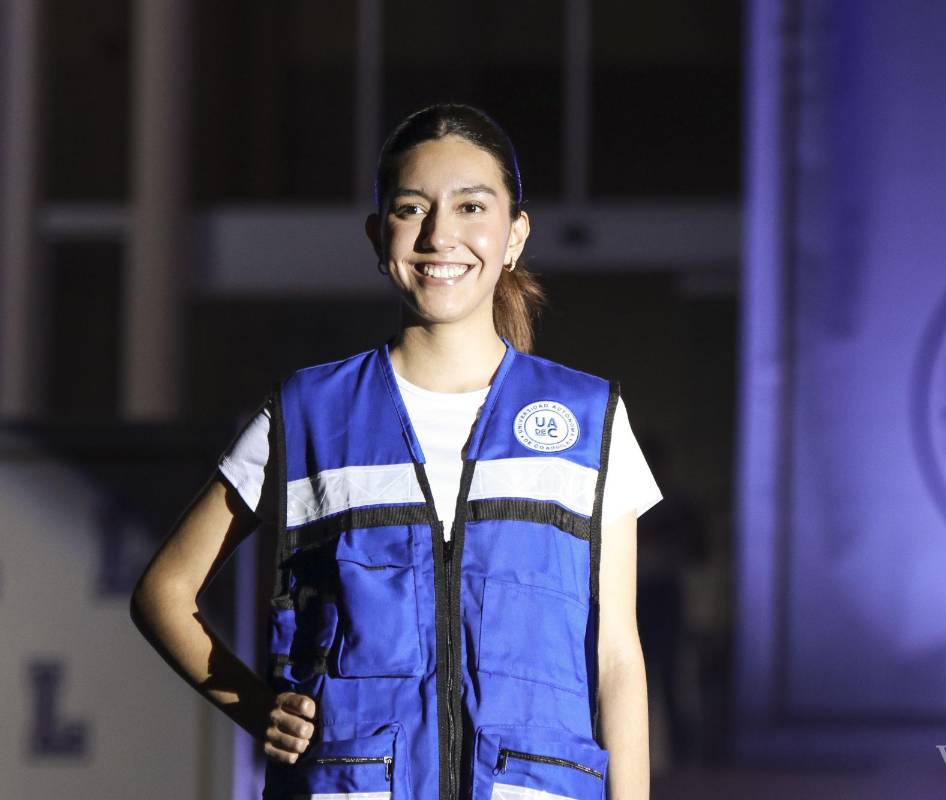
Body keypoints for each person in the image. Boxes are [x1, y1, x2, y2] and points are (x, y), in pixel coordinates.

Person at [130, 103, 659, 800]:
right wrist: (259, 710)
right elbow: (164, 592)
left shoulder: (589, 419)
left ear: (515, 235)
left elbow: (616, 658)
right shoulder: (308, 413)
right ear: (379, 235)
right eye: (412, 209)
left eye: (472, 207)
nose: (440, 235)